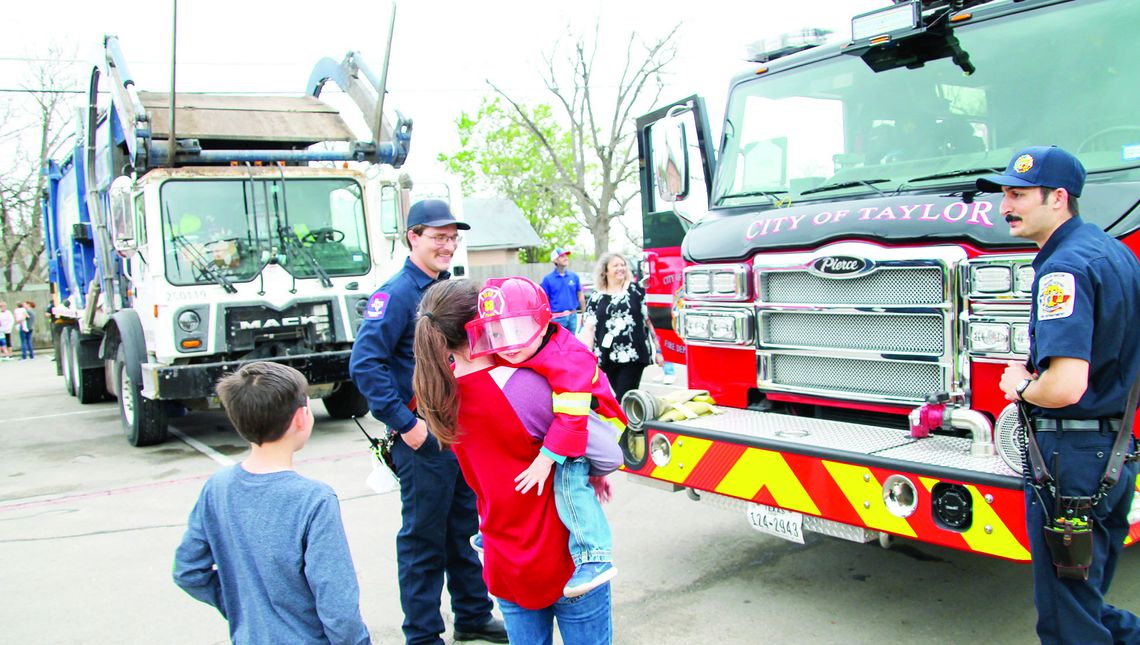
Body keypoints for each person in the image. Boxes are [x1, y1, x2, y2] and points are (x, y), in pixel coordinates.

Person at [979, 145, 1140, 645]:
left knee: (1067, 619)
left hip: (1070, 461)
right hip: (1113, 453)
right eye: (1005, 193)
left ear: (1059, 198)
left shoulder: (1062, 269)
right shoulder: (1114, 253)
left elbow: (1066, 387)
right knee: (1083, 597)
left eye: (1019, 194)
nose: (1005, 205)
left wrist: (1020, 385)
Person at [412, 279, 615, 644]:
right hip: (565, 558)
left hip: (504, 557)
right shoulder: (526, 388)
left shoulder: (440, 395)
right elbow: (609, 453)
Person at [348, 200, 506, 645]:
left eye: (453, 238)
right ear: (413, 237)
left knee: (465, 529)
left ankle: (473, 615)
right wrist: (404, 424)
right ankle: (421, 634)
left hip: (459, 433)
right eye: (438, 237)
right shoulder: (396, 295)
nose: (448, 245)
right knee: (422, 539)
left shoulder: (449, 288)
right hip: (421, 434)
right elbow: (366, 365)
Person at [172, 361, 371, 644]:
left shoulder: (217, 488)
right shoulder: (313, 500)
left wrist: (240, 605)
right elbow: (338, 604)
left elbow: (188, 570)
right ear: (302, 418)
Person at [465, 276, 626, 597]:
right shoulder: (520, 349)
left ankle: (594, 557)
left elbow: (571, 418)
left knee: (568, 479)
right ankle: (494, 535)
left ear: (542, 324)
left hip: (595, 422)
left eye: (516, 330)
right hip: (571, 426)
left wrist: (546, 458)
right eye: (496, 332)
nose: (507, 343)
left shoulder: (570, 358)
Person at [579, 253, 664, 403]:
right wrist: (587, 356)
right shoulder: (596, 297)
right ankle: (633, 425)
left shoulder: (637, 291)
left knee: (624, 397)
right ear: (605, 271)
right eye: (615, 265)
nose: (620, 268)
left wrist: (659, 350)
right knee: (623, 398)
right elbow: (589, 329)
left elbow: (650, 321)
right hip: (606, 356)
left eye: (623, 265)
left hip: (633, 355)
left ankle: (626, 425)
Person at [540, 248, 585, 333]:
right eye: (562, 256)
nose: (566, 258)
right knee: (558, 343)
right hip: (557, 318)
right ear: (555, 260)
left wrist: (584, 314)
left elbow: (580, 295)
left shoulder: (574, 277)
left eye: (566, 256)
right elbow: (544, 300)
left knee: (572, 343)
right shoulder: (547, 279)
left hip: (572, 316)